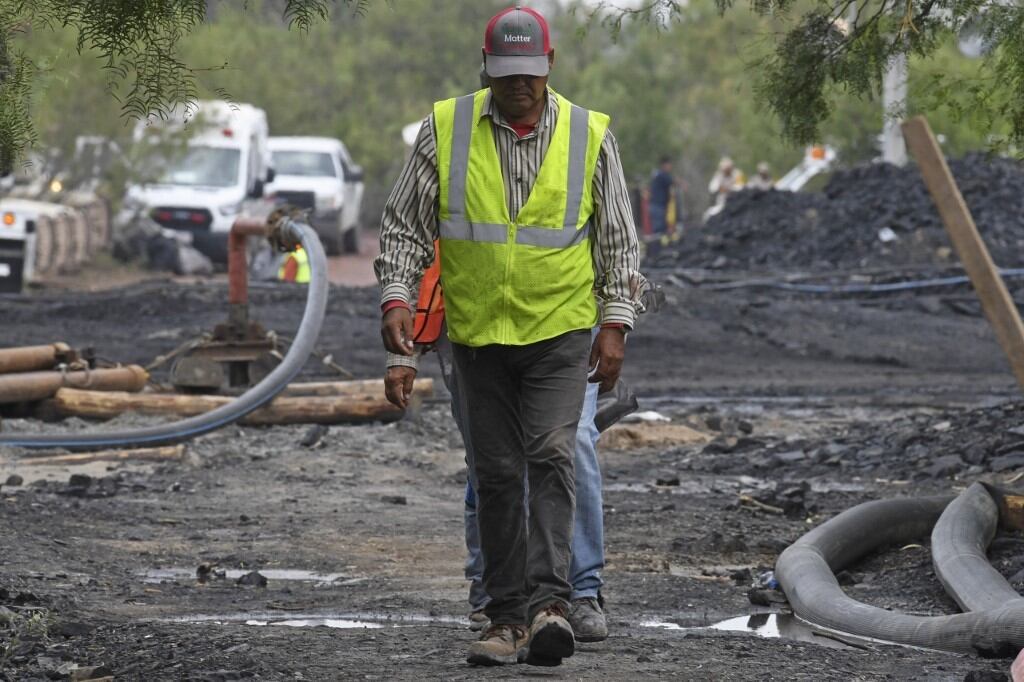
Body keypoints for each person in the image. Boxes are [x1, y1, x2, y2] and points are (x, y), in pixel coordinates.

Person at [374, 4, 645, 668]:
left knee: (553, 452)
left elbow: (616, 240)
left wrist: (615, 325)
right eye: (506, 75)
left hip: (559, 330)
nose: (519, 86)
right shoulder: (447, 128)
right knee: (495, 474)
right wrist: (396, 299)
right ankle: (503, 617)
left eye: (530, 74)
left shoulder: (589, 134)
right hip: (476, 335)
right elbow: (405, 226)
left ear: (549, 66)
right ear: (487, 69)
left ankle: (553, 606)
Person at [648, 156, 674, 238]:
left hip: (659, 206)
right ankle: (657, 249)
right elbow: (672, 180)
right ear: (664, 165)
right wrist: (683, 184)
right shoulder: (661, 175)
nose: (670, 167)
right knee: (658, 230)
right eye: (668, 165)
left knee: (662, 229)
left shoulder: (659, 175)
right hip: (657, 206)